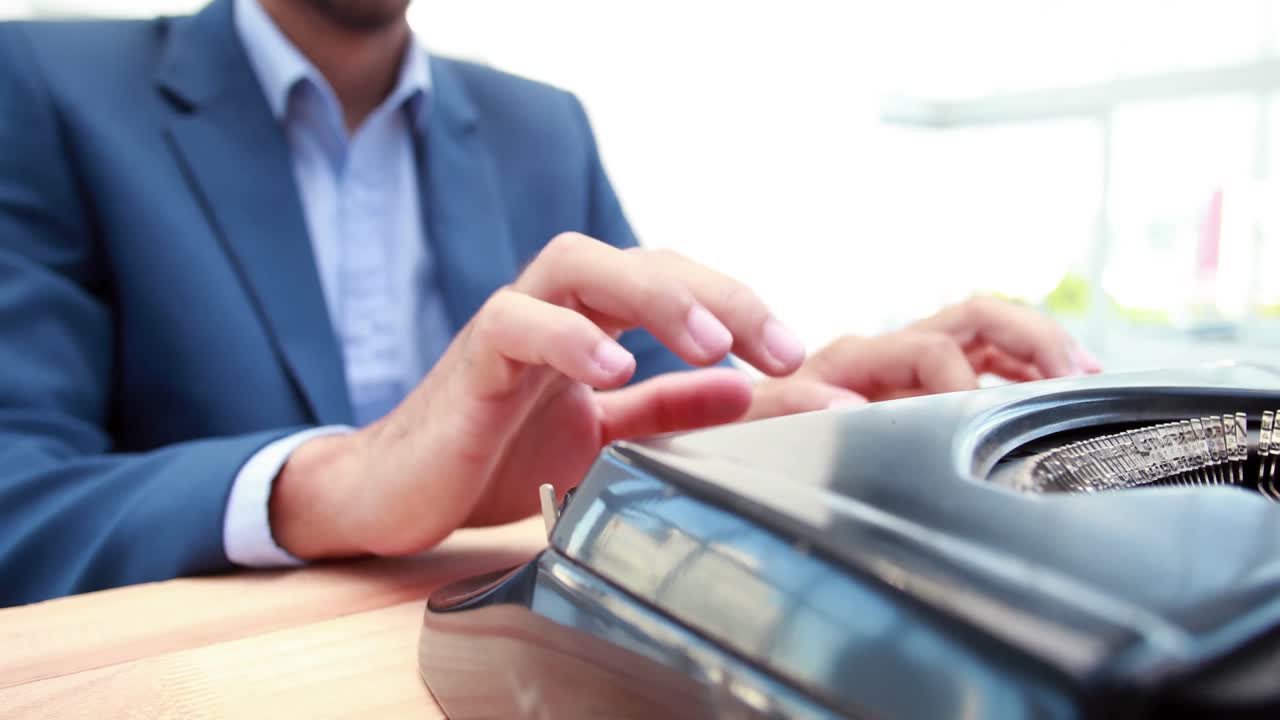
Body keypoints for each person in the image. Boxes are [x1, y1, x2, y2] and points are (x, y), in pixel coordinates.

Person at [0, 0, 1100, 606]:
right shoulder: (44, 82)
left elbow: (642, 408)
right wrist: (339, 480)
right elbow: (18, 501)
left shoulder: (540, 126)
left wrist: (799, 409)